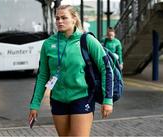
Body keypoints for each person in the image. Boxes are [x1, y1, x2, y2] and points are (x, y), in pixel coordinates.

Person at [28, 5, 113, 137]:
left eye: (64, 18)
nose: (59, 21)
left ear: (74, 19)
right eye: (57, 18)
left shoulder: (87, 40)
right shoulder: (48, 44)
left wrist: (108, 100)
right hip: (57, 99)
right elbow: (43, 75)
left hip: (82, 97)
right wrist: (35, 104)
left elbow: (106, 68)